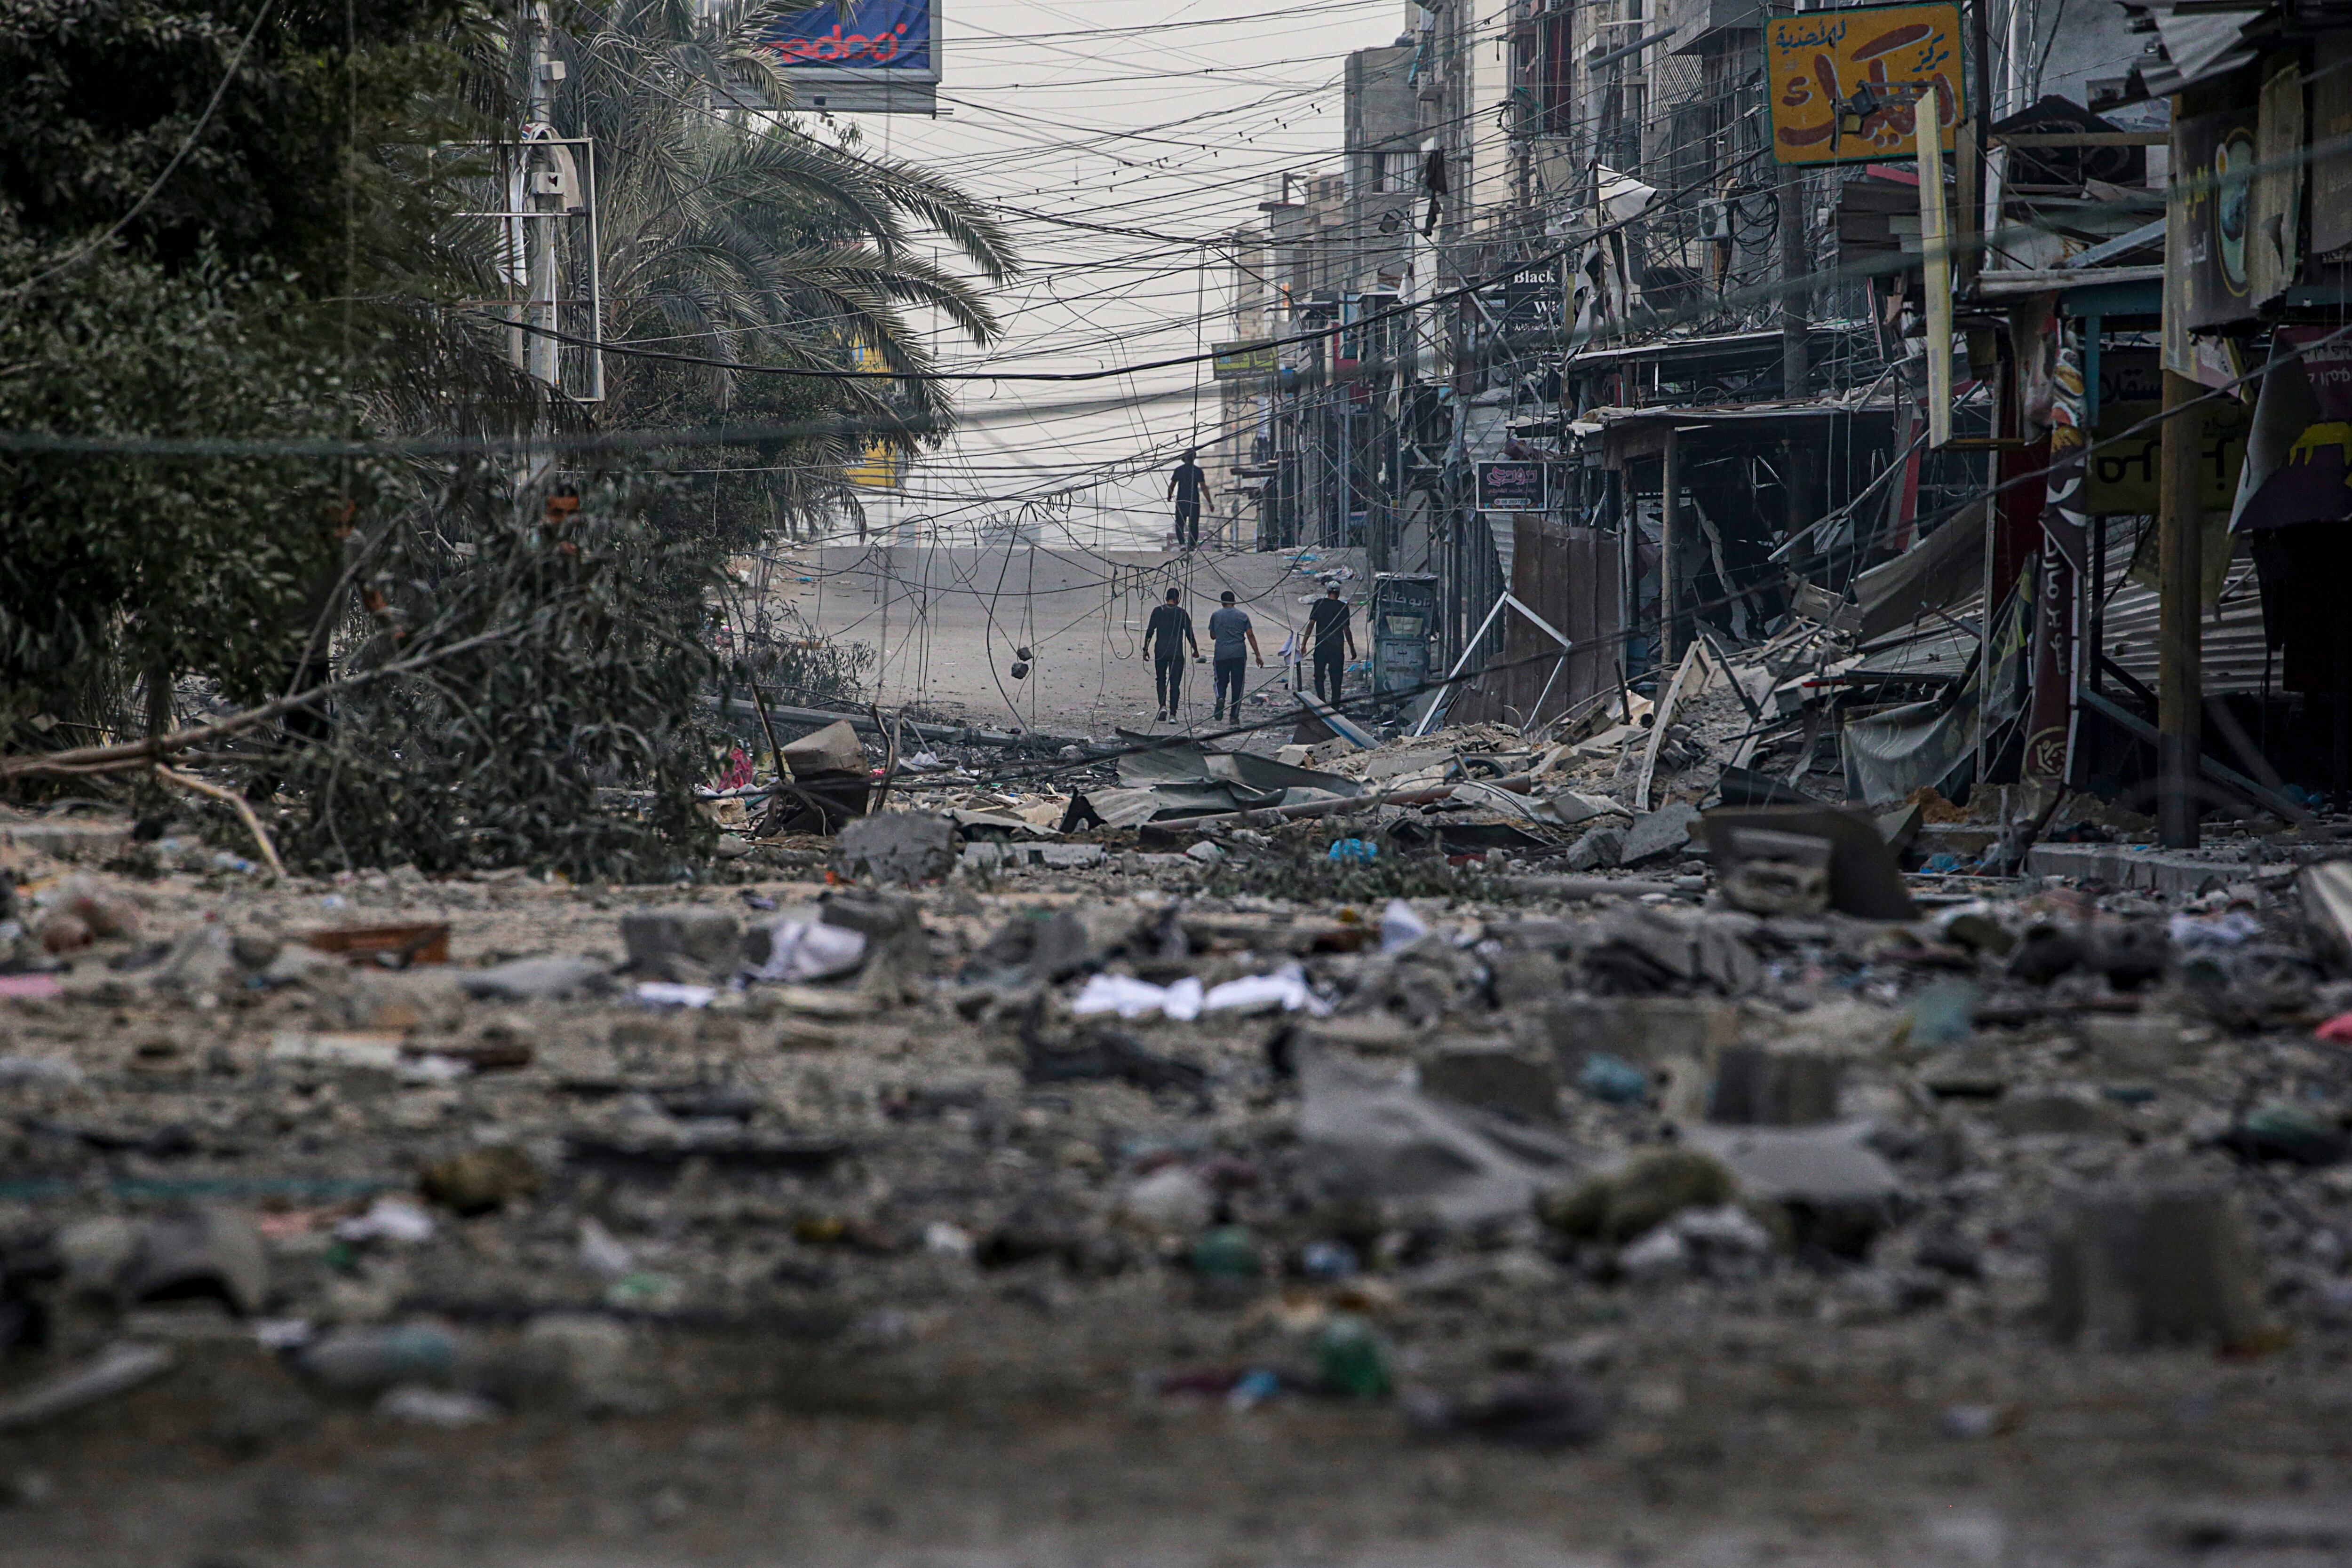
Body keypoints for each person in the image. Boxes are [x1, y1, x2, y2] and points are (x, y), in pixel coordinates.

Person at [1143, 586, 1200, 722]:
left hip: (1160, 652)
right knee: (1175, 684)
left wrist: (1145, 649)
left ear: (1166, 598)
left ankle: (1163, 706)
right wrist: (1195, 650)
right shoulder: (1182, 613)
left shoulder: (1158, 611)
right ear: (1178, 599)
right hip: (1177, 653)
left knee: (1161, 679)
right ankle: (1173, 714)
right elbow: (1189, 634)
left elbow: (1150, 631)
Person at [1207, 589, 1262, 724]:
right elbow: (1250, 635)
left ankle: (1220, 698)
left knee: (1220, 681)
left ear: (1222, 602)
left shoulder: (1216, 615)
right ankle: (1234, 716)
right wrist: (1258, 655)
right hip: (1239, 654)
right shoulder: (1243, 616)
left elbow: (1213, 636)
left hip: (1221, 654)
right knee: (1238, 685)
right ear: (1234, 602)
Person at [1306, 583, 1355, 705]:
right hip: (1337, 648)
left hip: (1321, 646)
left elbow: (1311, 624)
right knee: (1336, 678)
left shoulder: (1319, 604)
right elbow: (1346, 629)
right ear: (1338, 593)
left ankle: (1322, 701)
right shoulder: (1343, 607)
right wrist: (1352, 648)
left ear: (1327, 592)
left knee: (1319, 676)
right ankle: (1335, 705)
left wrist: (1304, 643)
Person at [1168, 448, 1207, 550]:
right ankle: (1192, 545)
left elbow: (1172, 486)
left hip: (1182, 501)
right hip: (1194, 501)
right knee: (1194, 525)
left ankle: (1182, 544)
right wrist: (1210, 503)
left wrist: (1169, 496)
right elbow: (1204, 488)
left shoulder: (1179, 470)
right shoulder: (1198, 471)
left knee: (1180, 523)